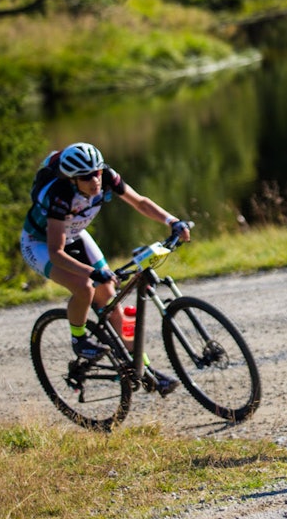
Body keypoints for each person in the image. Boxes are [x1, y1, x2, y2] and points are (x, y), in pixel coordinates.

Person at [19, 142, 192, 395]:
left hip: (76, 235)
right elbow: (56, 253)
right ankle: (79, 338)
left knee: (115, 307)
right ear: (73, 180)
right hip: (40, 244)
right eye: (86, 177)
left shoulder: (107, 177)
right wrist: (92, 272)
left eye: (97, 172)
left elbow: (140, 202)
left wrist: (172, 221)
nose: (95, 181)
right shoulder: (61, 196)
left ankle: (146, 371)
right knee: (84, 286)